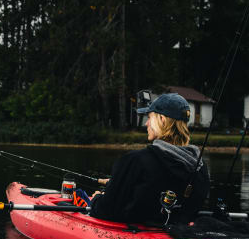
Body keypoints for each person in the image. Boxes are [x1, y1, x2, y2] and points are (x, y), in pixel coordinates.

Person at [90, 93, 210, 225]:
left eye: (149, 117)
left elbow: (105, 211)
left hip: (137, 237)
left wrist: (96, 199)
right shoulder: (200, 167)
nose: (146, 123)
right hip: (177, 235)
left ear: (162, 120)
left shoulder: (135, 160)